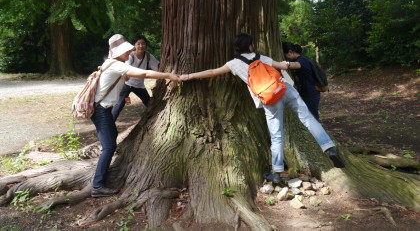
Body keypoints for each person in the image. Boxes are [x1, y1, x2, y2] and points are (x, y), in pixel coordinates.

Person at [180, 33, 344, 184]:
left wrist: (189, 76)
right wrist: (296, 63)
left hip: (269, 98)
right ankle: (330, 149)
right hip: (285, 89)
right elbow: (282, 65)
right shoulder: (261, 57)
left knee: (277, 135)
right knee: (308, 118)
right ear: (251, 46)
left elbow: (212, 72)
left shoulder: (234, 64)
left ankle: (277, 173)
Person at [90, 34, 180, 197]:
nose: (129, 52)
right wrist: (169, 75)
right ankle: (97, 186)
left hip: (102, 109)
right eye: (125, 51)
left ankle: (101, 179)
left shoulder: (112, 63)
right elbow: (144, 74)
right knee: (109, 147)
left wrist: (123, 94)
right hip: (101, 111)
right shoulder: (116, 65)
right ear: (117, 52)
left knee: (111, 140)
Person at [111, 35, 160, 121]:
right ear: (134, 45)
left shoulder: (148, 56)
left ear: (146, 45)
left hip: (139, 85)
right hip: (127, 85)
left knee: (149, 104)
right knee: (119, 105)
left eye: (143, 44)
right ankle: (110, 123)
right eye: (138, 44)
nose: (141, 46)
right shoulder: (130, 56)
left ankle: (155, 120)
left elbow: (157, 67)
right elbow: (126, 70)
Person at [282, 42, 320, 120]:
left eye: (285, 55)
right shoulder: (300, 59)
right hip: (306, 93)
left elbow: (296, 65)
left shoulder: (302, 60)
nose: (286, 58)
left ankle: (319, 131)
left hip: (311, 94)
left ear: (290, 52)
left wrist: (284, 64)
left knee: (313, 117)